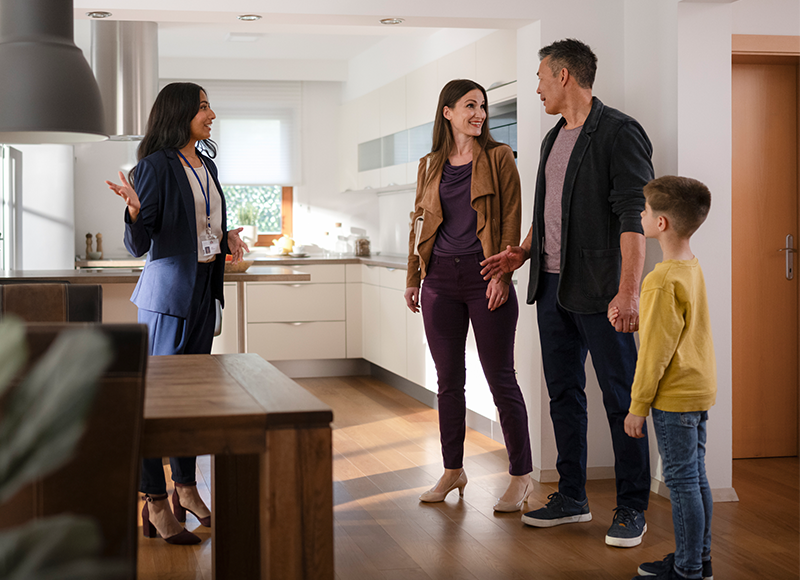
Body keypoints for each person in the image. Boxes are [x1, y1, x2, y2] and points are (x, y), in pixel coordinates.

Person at [480, 38, 653, 546]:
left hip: (602, 291)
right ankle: (572, 497)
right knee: (563, 394)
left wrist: (629, 292)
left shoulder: (620, 132)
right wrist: (523, 252)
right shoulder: (552, 139)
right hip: (552, 287)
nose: (535, 87)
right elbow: (548, 213)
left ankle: (632, 507)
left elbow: (632, 218)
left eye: (539, 77)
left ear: (563, 76)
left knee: (622, 398)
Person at [106, 82, 248, 545]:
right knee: (154, 403)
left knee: (190, 401)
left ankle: (185, 487)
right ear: (181, 112)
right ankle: (155, 500)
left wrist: (226, 237)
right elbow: (139, 244)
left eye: (209, 105)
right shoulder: (152, 167)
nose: (211, 114)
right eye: (203, 106)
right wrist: (132, 210)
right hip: (167, 299)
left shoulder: (205, 164)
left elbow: (204, 221)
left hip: (203, 296)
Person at [404, 79, 533, 512]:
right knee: (448, 383)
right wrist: (412, 277)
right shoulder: (428, 165)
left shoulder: (499, 158)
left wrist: (505, 273)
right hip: (438, 279)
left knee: (501, 380)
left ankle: (521, 476)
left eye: (482, 106)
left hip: (485, 277)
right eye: (470, 105)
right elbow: (418, 223)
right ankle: (453, 469)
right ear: (447, 112)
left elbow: (513, 215)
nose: (478, 113)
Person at [612, 176, 715, 580]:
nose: (641, 214)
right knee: (695, 476)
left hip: (673, 398)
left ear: (661, 224)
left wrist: (637, 407)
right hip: (699, 390)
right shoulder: (691, 267)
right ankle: (699, 559)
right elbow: (677, 332)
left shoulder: (659, 280)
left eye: (646, 210)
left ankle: (687, 569)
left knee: (681, 480)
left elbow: (654, 354)